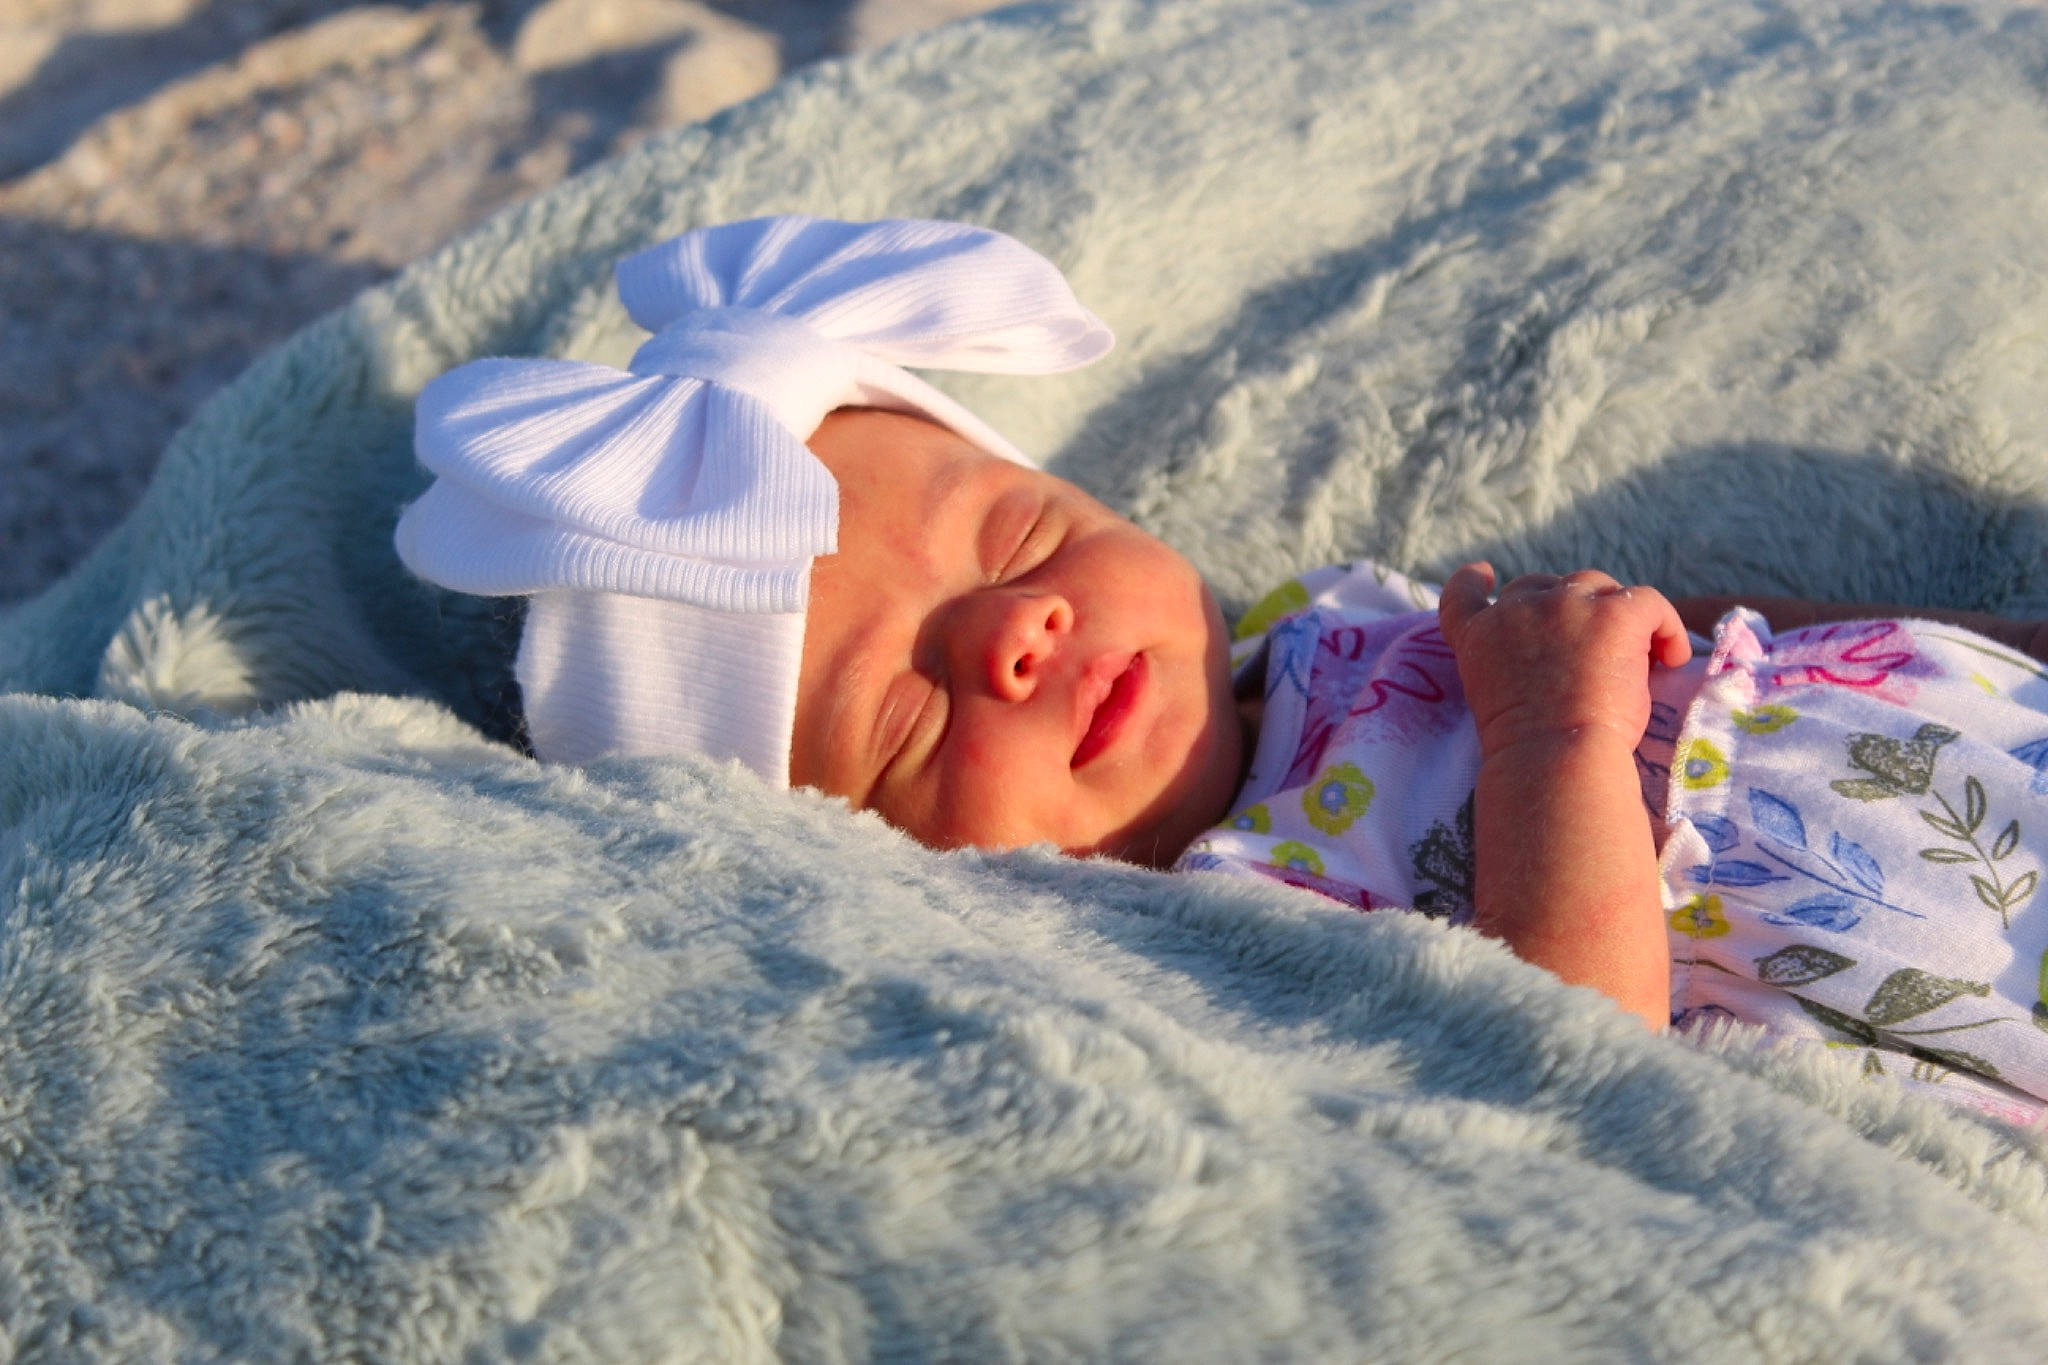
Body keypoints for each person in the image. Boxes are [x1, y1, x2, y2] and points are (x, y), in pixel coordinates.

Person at [397, 214, 2048, 1125]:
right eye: (902, 718)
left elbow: (1714, 651)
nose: (1013, 633)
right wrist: (1554, 728)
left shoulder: (1324, 620)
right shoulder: (1220, 927)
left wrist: (1860, 639)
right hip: (1946, 962)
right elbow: (1564, 1062)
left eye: (1023, 541)